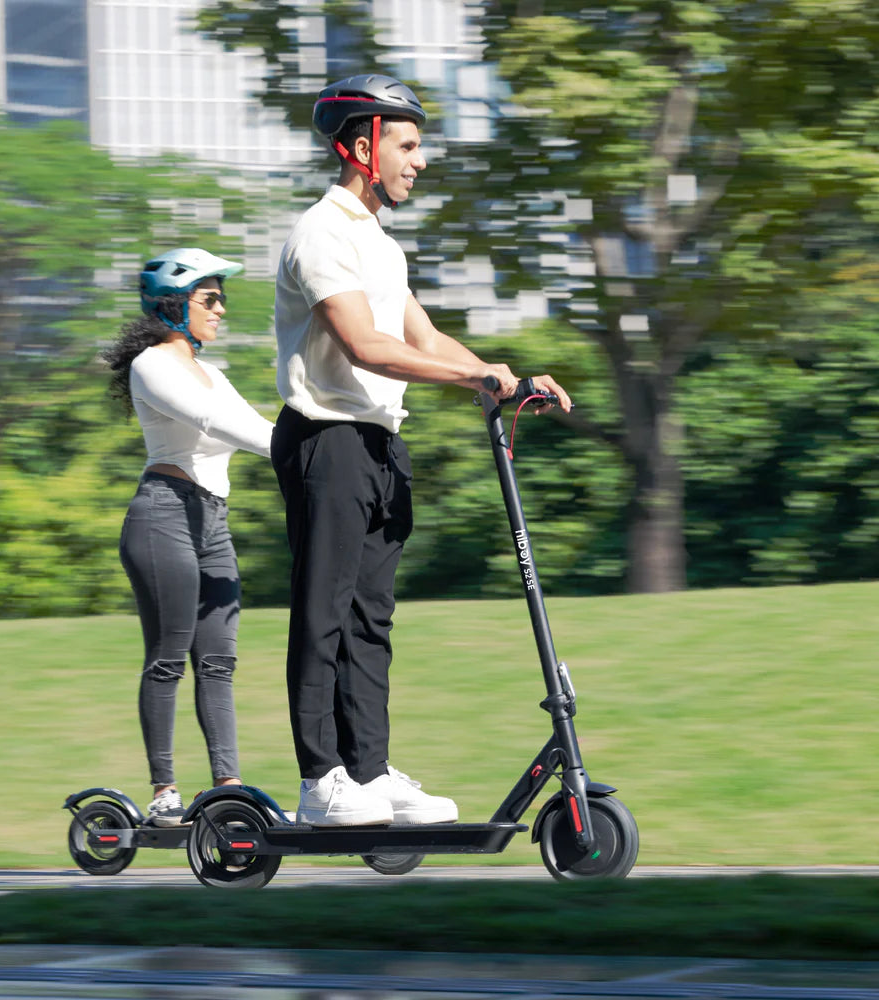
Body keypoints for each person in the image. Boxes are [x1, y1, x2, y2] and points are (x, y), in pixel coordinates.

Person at [271, 73, 573, 827]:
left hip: (379, 443)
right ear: (362, 146)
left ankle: (367, 774)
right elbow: (365, 345)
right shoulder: (322, 234)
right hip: (326, 438)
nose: (420, 160)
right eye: (407, 145)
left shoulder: (379, 245)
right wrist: (475, 375)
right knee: (324, 614)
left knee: (371, 619)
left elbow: (424, 339)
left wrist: (504, 380)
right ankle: (322, 780)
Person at [101, 248, 275, 826]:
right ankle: (164, 791)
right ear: (174, 306)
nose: (222, 308)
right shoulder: (152, 364)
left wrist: (327, 448)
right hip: (163, 517)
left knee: (220, 662)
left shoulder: (215, 373)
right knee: (169, 658)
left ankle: (228, 786)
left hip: (214, 524)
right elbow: (215, 422)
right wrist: (299, 451)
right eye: (210, 298)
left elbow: (260, 427)